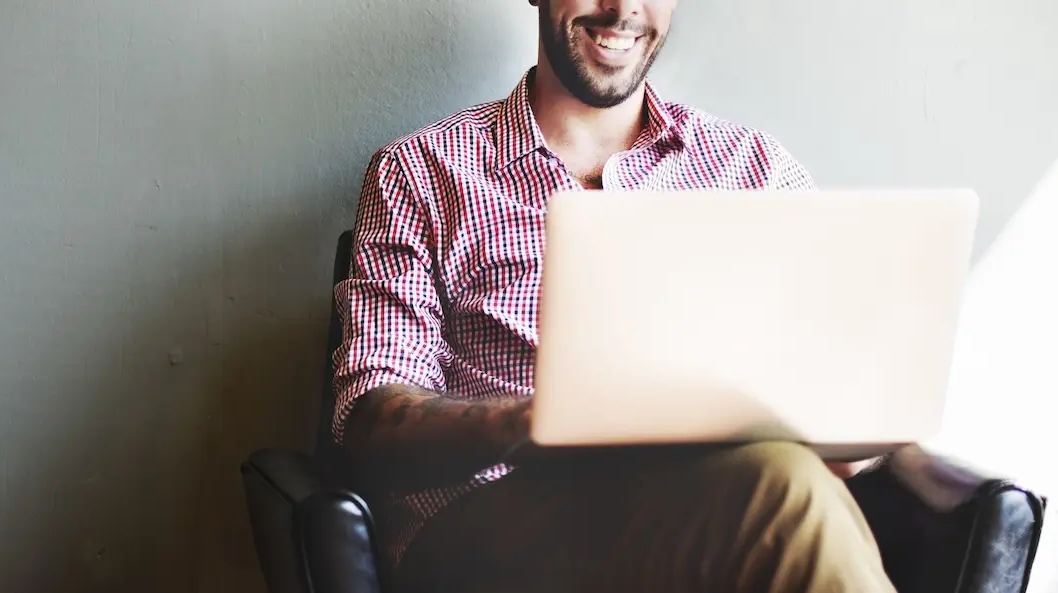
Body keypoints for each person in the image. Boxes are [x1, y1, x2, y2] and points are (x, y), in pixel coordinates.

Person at [329, 0, 896, 591]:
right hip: (495, 528)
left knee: (789, 477)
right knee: (784, 486)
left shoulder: (755, 174)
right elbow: (372, 420)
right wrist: (529, 420)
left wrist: (854, 422)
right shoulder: (421, 172)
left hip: (715, 502)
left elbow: (840, 395)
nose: (623, 7)